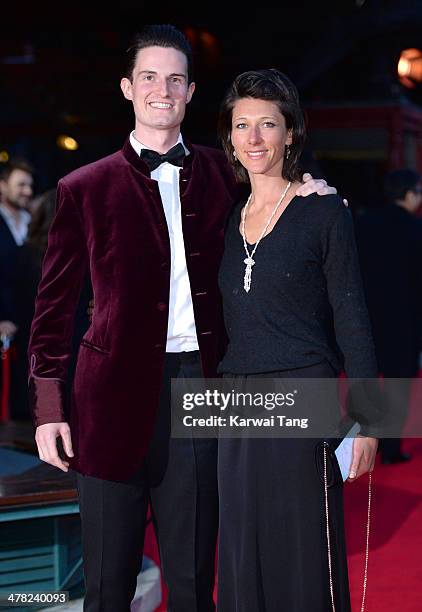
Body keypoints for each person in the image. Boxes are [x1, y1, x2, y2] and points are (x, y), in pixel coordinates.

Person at [28, 26, 338, 612]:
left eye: (175, 78)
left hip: (203, 391)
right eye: (149, 77)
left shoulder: (227, 176)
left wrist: (310, 190)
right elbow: (52, 309)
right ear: (127, 87)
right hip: (108, 401)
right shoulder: (83, 187)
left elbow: (279, 201)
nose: (162, 90)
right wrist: (49, 409)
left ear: (191, 91)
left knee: (195, 582)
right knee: (107, 586)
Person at [216, 69, 378, 611]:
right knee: (241, 549)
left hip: (301, 393)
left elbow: (353, 318)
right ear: (230, 137)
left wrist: (370, 422)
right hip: (234, 398)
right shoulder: (221, 218)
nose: (254, 138)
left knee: (303, 547)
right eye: (243, 125)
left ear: (291, 134)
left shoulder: (324, 211)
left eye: (268, 124)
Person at [356, 169, 422, 464]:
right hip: (403, 322)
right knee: (397, 387)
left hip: (365, 318)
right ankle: (391, 449)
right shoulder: (416, 229)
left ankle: (367, 444)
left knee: (367, 383)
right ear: (409, 194)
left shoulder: (364, 223)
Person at [0, 158, 34, 340]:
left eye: (30, 185)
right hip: (7, 325)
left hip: (33, 324)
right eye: (21, 185)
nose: (28, 191)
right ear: (3, 186)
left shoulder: (35, 220)